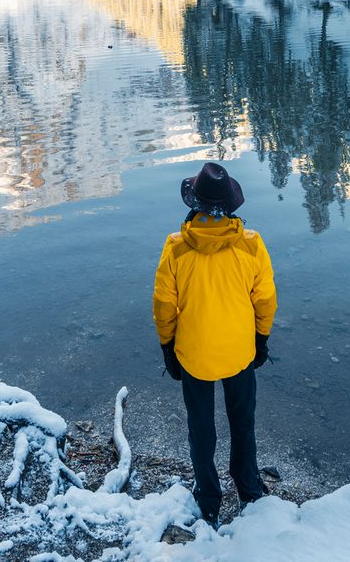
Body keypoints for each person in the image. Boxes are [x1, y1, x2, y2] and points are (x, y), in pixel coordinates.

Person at [152, 161, 277, 527]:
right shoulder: (252, 245)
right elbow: (265, 300)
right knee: (243, 422)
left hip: (194, 356)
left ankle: (208, 496)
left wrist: (167, 348)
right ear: (231, 206)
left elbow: (163, 307)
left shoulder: (176, 249)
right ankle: (248, 487)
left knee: (201, 426)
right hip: (239, 353)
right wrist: (261, 340)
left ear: (195, 204)